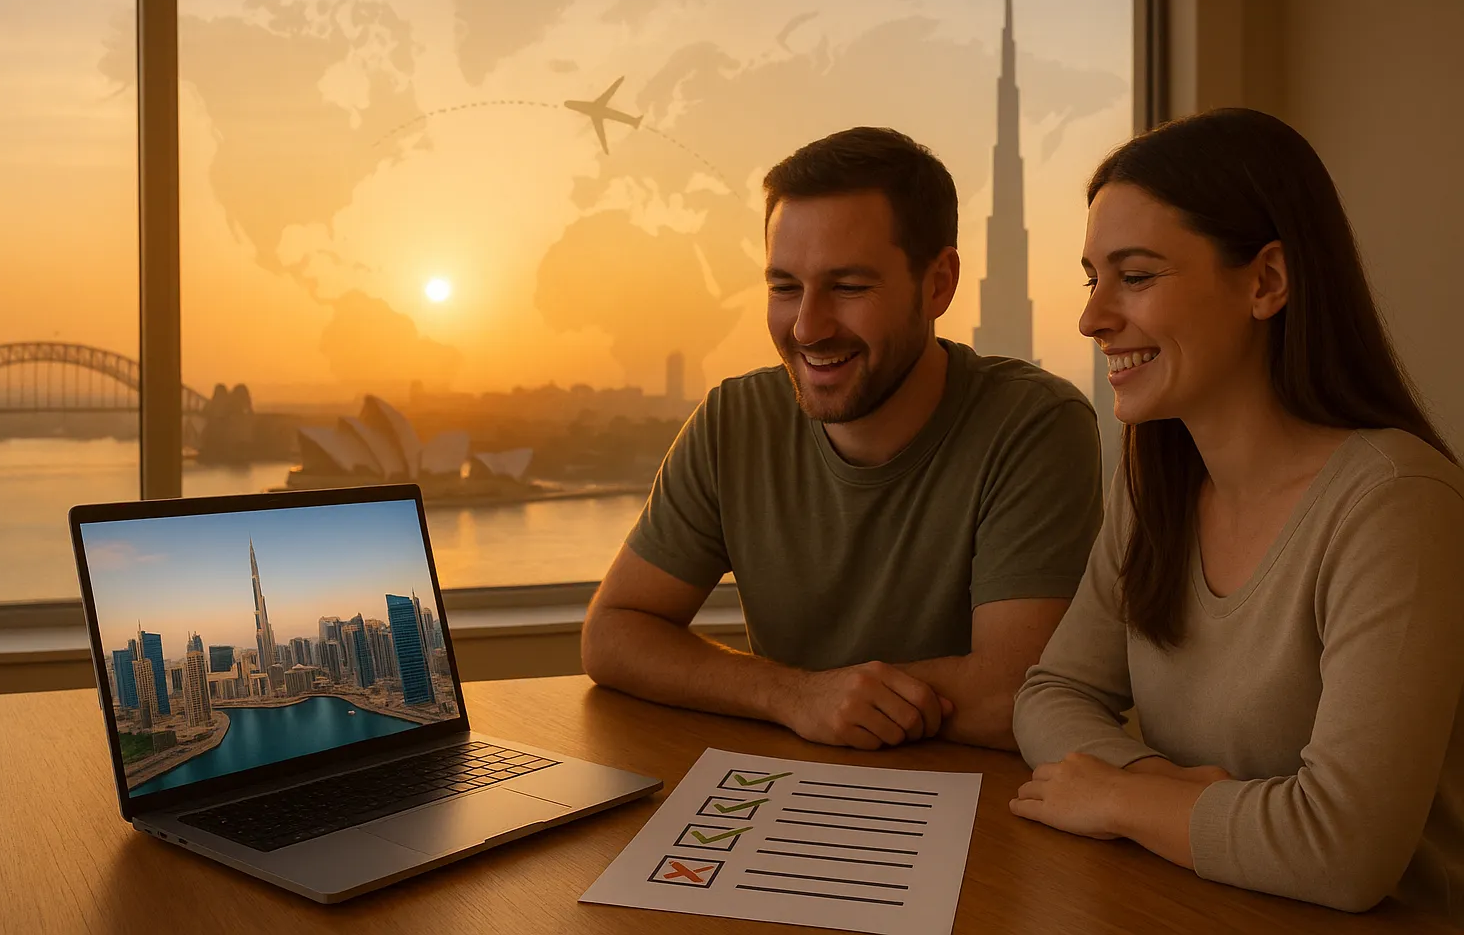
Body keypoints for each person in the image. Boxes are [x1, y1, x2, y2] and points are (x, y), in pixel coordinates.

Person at [1010, 108, 1464, 922]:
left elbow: (1344, 853)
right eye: (1093, 278)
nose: (1092, 318)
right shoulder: (1157, 486)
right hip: (1197, 903)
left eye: (1136, 276)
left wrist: (1116, 800)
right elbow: (1052, 692)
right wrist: (1160, 791)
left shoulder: (1397, 505)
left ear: (1266, 282)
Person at [582, 126, 1103, 752]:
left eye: (849, 287)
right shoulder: (732, 420)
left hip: (983, 813)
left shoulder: (1034, 424)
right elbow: (612, 634)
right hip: (786, 797)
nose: (807, 326)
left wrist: (822, 700)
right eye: (784, 287)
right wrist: (793, 696)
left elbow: (1014, 696)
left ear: (938, 284)